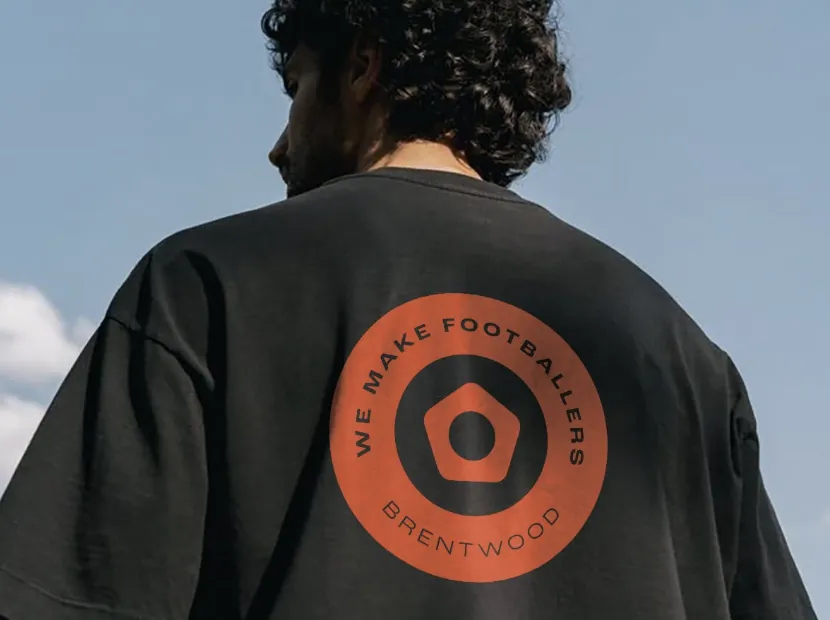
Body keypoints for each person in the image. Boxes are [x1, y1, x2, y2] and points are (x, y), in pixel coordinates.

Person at [0, 0, 817, 618]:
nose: (279, 145)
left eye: (296, 89)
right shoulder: (688, 364)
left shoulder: (202, 285)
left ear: (363, 65)